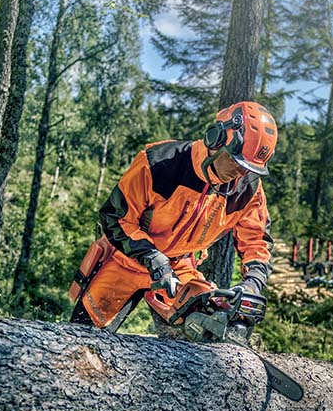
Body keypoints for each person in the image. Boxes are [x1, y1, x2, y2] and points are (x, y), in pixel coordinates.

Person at [70, 101, 278, 331]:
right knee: (85, 337)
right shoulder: (161, 162)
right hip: (127, 260)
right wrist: (152, 258)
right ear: (216, 139)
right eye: (235, 161)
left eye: (248, 168)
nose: (239, 172)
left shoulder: (248, 189)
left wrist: (253, 281)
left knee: (202, 334)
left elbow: (257, 240)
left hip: (181, 267)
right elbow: (116, 217)